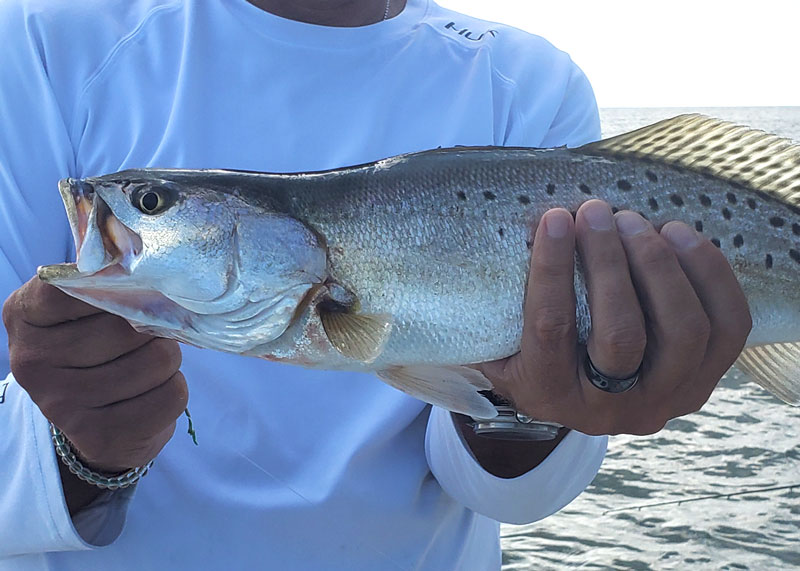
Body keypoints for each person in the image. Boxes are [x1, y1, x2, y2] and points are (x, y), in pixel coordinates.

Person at [0, 0, 751, 569]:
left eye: (152, 202)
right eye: (154, 201)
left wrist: (532, 410)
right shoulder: (38, 42)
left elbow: (509, 494)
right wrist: (78, 450)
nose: (121, 218)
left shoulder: (527, 82)